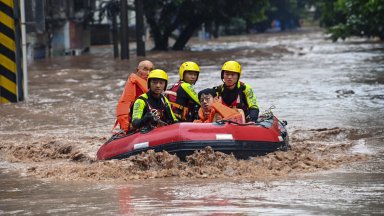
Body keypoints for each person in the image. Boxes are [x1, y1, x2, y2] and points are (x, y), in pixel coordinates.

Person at [114, 60, 154, 132]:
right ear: (137, 70)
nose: (148, 73)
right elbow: (124, 105)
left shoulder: (155, 86)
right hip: (136, 122)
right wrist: (127, 127)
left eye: (151, 70)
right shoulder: (133, 83)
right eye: (145, 69)